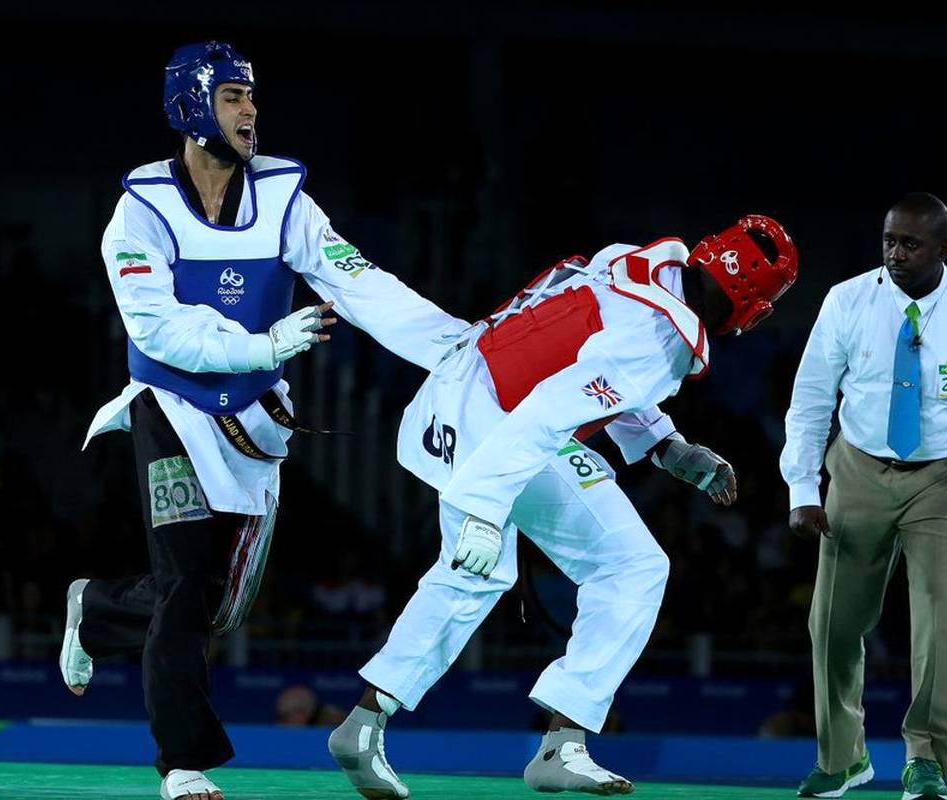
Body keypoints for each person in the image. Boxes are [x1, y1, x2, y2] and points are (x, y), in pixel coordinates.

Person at [59, 41, 467, 800]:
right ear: (191, 105)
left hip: (254, 421)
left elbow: (361, 284)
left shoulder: (285, 198)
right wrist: (263, 345)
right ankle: (183, 762)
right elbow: (156, 329)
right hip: (169, 409)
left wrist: (457, 346)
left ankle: (97, 610)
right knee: (185, 584)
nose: (250, 110)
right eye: (233, 96)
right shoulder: (140, 211)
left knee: (219, 606)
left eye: (252, 96)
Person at [327, 216, 799, 797]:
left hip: (468, 384)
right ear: (756, 310)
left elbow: (593, 365)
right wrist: (484, 509)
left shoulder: (635, 262)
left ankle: (372, 726)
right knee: (605, 566)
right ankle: (551, 744)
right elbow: (551, 409)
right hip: (500, 423)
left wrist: (665, 443)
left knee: (516, 572)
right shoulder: (660, 343)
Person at [781, 192, 947, 800]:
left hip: (943, 476)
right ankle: (842, 758)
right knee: (832, 621)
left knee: (942, 618)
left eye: (911, 244)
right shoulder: (847, 300)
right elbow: (811, 397)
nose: (896, 253)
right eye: (889, 241)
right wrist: (802, 487)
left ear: (944, 249)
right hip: (857, 469)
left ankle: (927, 758)